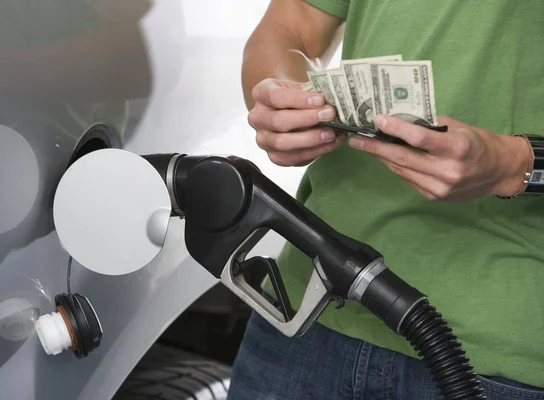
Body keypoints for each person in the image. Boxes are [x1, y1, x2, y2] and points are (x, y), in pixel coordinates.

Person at [227, 0, 544, 399]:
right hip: (307, 304)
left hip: (497, 353)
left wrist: (514, 164)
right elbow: (292, 25)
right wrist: (282, 99)